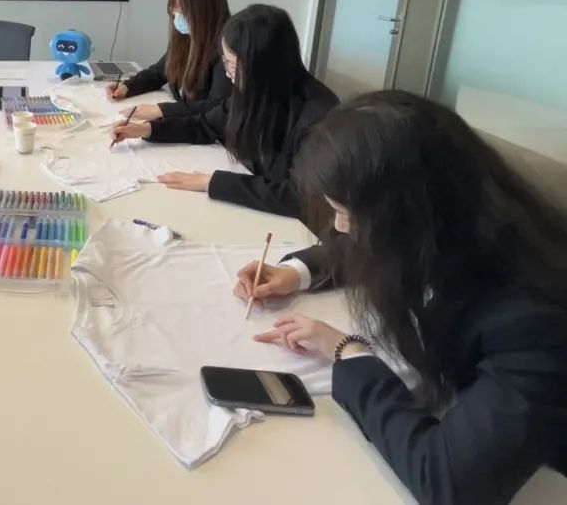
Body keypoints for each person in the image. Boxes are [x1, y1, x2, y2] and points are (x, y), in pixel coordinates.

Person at [235, 92, 567, 505]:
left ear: (405, 212)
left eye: (346, 213)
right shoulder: (470, 223)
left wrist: (349, 351)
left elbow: (446, 482)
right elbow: (363, 243)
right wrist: (296, 272)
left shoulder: (533, 320)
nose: (339, 228)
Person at [111, 4, 338, 218]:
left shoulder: (320, 115)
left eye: (231, 65)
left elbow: (300, 195)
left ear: (260, 65)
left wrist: (212, 183)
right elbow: (206, 124)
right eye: (225, 62)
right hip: (252, 207)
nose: (228, 74)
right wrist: (147, 130)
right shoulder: (255, 89)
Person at [107, 0, 231, 120]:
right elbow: (158, 72)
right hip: (185, 124)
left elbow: (216, 106)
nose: (177, 16)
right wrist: (127, 87)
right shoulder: (186, 38)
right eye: (174, 8)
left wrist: (161, 110)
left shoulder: (228, 49)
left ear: (206, 11)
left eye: (183, 10)